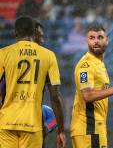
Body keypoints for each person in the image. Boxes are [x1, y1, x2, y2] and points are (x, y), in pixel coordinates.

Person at [0, 16, 65, 148]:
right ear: (33, 32)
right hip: (32, 124)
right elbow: (55, 97)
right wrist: (61, 131)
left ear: (15, 33)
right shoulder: (48, 55)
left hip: (7, 122)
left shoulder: (3, 53)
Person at [70, 23, 113, 148]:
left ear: (107, 40)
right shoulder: (86, 65)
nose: (96, 41)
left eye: (99, 37)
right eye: (92, 38)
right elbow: (87, 95)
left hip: (94, 128)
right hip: (89, 128)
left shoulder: (99, 63)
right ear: (86, 41)